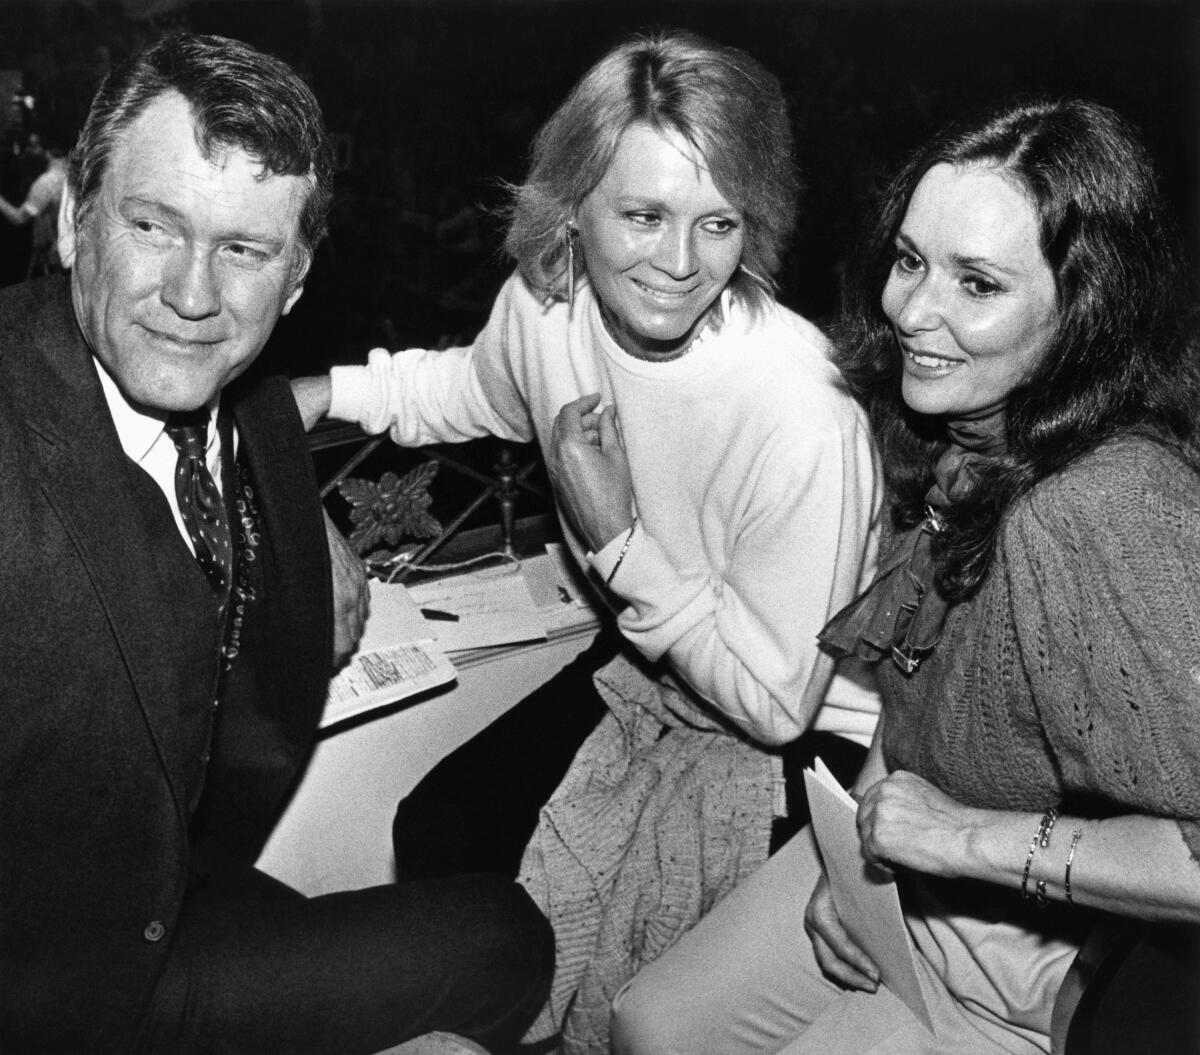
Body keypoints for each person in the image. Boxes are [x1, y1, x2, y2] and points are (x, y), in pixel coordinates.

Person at [292, 28, 880, 1049]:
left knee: (637, 979)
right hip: (657, 658)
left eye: (719, 222)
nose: (681, 263)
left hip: (809, 732)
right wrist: (317, 393)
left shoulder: (803, 411)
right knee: (437, 829)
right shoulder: (544, 305)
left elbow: (777, 704)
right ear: (572, 207)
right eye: (644, 215)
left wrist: (617, 541)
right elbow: (465, 389)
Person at [609, 97, 1200, 1054]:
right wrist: (857, 864)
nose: (912, 309)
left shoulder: (1103, 508)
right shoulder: (971, 433)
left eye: (978, 284)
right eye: (913, 259)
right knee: (650, 1025)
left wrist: (955, 837)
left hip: (1033, 951)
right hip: (913, 871)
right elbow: (925, 682)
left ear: (1084, 313)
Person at [0, 33, 552, 1055]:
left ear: (295, 283)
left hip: (182, 890)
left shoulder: (241, 407)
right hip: (57, 992)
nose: (194, 293)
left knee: (505, 937)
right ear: (75, 222)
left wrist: (311, 538)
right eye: (154, 224)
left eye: (244, 249)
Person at [0, 131, 68, 277]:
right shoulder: (76, 172)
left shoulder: (46, 183)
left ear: (48, 152)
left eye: (34, 147)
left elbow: (18, 218)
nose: (29, 152)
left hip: (59, 260)